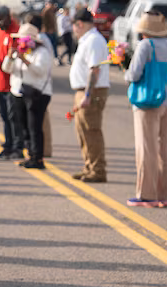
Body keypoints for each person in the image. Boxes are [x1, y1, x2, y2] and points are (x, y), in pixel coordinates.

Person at [124, 12, 167, 207]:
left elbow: (133, 74)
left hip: (147, 103)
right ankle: (163, 194)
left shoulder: (145, 46)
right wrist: (166, 87)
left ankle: (146, 195)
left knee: (146, 148)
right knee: (165, 149)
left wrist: (124, 71)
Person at [5, 24, 54, 169]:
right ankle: (30, 155)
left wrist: (25, 60)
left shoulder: (42, 52)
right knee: (25, 127)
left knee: (35, 127)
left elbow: (39, 71)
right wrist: (10, 57)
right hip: (20, 93)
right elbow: (6, 69)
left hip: (37, 94)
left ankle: (38, 158)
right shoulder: (19, 52)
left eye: (23, 40)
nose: (20, 42)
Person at [69, 9, 109, 182]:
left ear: (79, 24)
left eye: (74, 26)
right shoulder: (87, 40)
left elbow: (95, 69)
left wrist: (87, 94)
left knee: (91, 131)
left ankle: (98, 170)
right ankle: (89, 166)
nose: (73, 30)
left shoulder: (93, 41)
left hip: (91, 91)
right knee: (83, 132)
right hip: (83, 90)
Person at [0, 6, 24, 160]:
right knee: (4, 115)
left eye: (0, 20)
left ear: (8, 17)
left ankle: (18, 147)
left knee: (13, 116)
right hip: (0, 82)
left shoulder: (17, 32)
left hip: (13, 83)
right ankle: (8, 145)